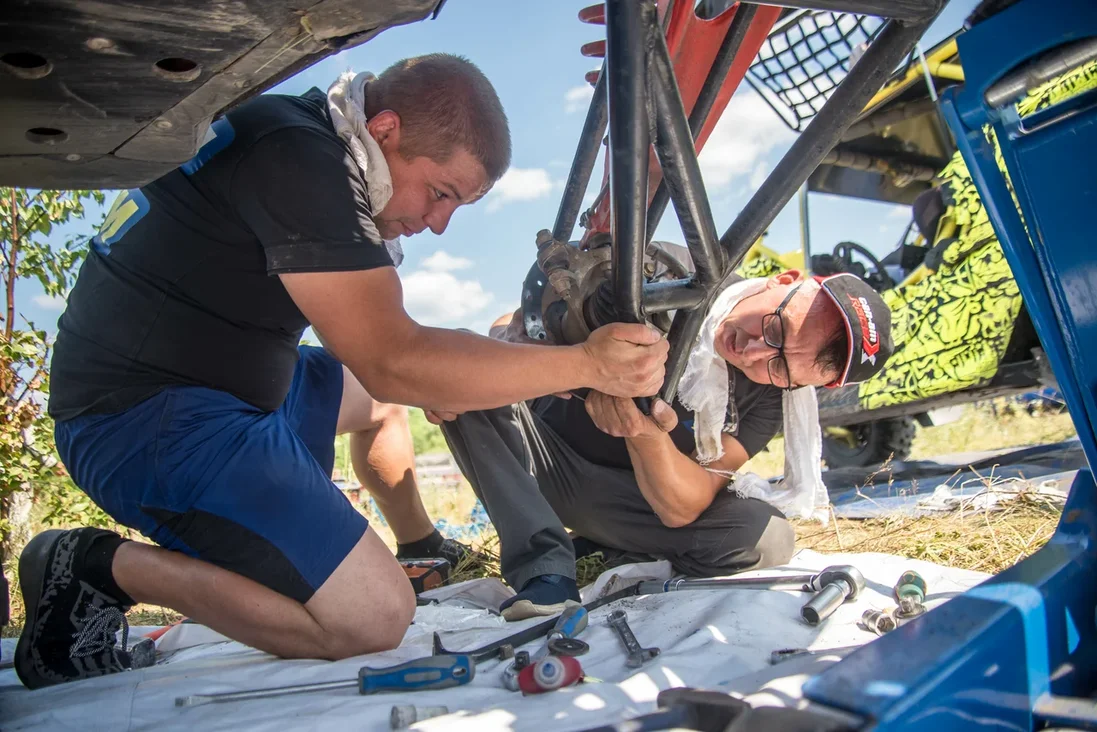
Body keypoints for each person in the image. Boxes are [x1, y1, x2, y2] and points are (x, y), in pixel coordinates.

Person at [16, 54, 669, 689]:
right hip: (146, 421)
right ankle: (96, 567)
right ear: (383, 131)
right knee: (372, 618)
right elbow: (395, 360)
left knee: (381, 409)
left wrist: (490, 376)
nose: (438, 224)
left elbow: (393, 375)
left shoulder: (307, 137)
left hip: (218, 381)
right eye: (440, 194)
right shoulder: (296, 159)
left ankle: (421, 546)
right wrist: (587, 363)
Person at [436, 270, 894, 620]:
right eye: (776, 328)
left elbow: (685, 505)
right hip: (544, 466)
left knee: (767, 537)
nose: (754, 351)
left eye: (780, 368)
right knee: (457, 367)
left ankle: (604, 544)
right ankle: (545, 569)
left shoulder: (768, 399)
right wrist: (537, 349)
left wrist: (644, 434)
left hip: (631, 501)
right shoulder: (671, 273)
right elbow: (528, 313)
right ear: (784, 280)